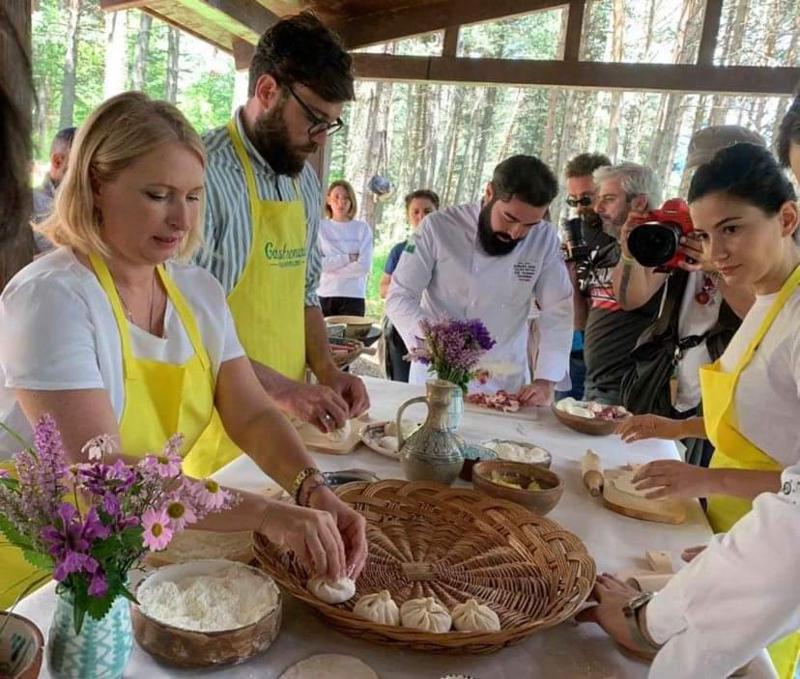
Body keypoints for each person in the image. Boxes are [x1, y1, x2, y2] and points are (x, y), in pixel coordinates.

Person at [0, 92, 367, 609]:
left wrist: (312, 488)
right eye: (158, 195)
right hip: (37, 574)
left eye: (194, 197)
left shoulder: (195, 292)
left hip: (125, 552)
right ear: (96, 185)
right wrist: (266, 513)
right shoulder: (52, 299)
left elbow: (254, 413)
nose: (181, 220)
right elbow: (105, 477)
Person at [580, 102, 800, 679]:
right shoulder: (771, 299)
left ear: (787, 217)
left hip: (768, 558)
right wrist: (678, 429)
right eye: (704, 235)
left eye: (733, 230)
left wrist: (654, 617)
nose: (718, 252)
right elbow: (764, 414)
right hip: (743, 532)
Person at [197, 12, 369, 466]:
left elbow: (304, 292)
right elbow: (184, 329)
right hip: (216, 433)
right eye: (314, 118)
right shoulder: (201, 177)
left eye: (330, 124)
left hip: (287, 428)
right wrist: (284, 392)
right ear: (268, 91)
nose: (319, 138)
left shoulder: (303, 181)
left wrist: (327, 371)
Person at [613, 126, 760, 468]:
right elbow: (631, 299)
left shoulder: (764, 238)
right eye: (698, 174)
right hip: (668, 383)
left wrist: (717, 265)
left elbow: (760, 318)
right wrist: (631, 250)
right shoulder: (682, 225)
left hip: (726, 399)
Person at [385, 155, 573, 401]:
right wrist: (436, 343)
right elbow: (399, 297)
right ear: (489, 192)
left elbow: (558, 309)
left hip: (506, 378)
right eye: (509, 218)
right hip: (439, 374)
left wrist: (546, 379)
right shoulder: (438, 228)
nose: (516, 233)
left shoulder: (544, 238)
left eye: (529, 225)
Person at [581, 162, 664, 405]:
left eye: (608, 199)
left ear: (638, 202)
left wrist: (631, 250)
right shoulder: (607, 250)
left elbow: (629, 300)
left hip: (627, 389)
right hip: (593, 382)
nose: (598, 208)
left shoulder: (657, 248)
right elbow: (586, 316)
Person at [556, 152, 611, 400]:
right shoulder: (576, 237)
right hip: (574, 351)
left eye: (587, 198)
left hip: (612, 365)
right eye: (573, 200)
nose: (580, 208)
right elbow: (578, 317)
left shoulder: (625, 241)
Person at [380, 188, 440, 382]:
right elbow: (383, 288)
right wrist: (405, 292)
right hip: (400, 324)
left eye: (428, 211)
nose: (421, 217)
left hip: (434, 330)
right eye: (415, 211)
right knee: (400, 380)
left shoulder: (446, 252)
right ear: (408, 216)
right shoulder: (400, 250)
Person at [317, 179, 373, 317]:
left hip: (353, 296)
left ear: (352, 201)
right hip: (325, 294)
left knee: (351, 339)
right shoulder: (320, 227)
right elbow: (317, 265)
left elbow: (364, 266)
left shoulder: (362, 228)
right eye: (336, 197)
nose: (341, 202)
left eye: (346, 198)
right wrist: (348, 258)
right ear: (328, 200)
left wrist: (332, 266)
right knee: (324, 338)